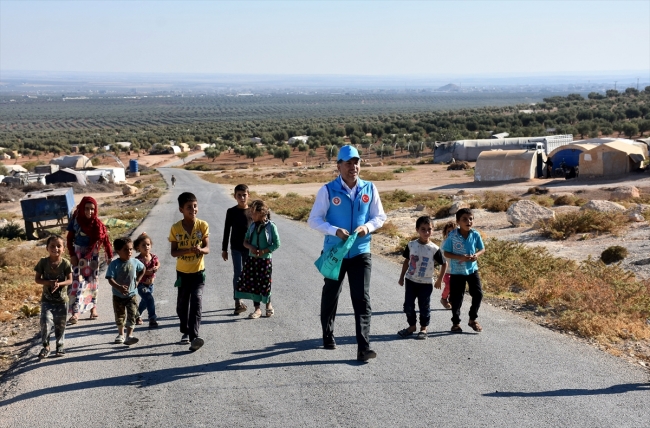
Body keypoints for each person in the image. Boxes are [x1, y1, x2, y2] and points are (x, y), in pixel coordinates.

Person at [308, 145, 387, 362]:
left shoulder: (369, 188)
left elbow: (379, 217)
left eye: (356, 162)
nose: (353, 167)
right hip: (335, 252)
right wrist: (334, 231)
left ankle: (364, 347)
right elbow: (314, 220)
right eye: (348, 162)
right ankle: (327, 333)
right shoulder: (328, 190)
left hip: (361, 251)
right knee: (332, 294)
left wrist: (367, 228)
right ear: (339, 165)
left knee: (362, 298)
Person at [169, 192, 210, 352]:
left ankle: (194, 337)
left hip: (199, 272)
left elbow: (207, 248)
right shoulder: (176, 228)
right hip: (182, 273)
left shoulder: (202, 225)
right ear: (181, 209)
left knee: (197, 302)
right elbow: (173, 252)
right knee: (182, 305)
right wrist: (187, 250)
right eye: (188, 207)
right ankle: (185, 331)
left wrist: (200, 249)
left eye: (195, 206)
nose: (193, 209)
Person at [397, 216, 447, 340]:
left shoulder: (434, 249)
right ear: (417, 230)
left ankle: (423, 328)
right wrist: (402, 277)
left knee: (424, 306)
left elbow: (444, 263)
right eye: (423, 229)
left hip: (426, 283)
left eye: (429, 229)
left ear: (433, 230)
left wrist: (440, 279)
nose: (426, 232)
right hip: (411, 280)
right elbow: (406, 261)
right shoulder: (411, 245)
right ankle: (412, 326)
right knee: (408, 305)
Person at [66, 196, 113, 325]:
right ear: (82, 208)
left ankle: (93, 308)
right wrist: (72, 255)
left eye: (92, 209)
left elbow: (105, 241)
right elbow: (69, 240)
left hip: (93, 255)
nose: (89, 212)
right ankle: (75, 313)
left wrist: (109, 255)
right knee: (76, 282)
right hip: (78, 255)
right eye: (86, 208)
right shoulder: (75, 222)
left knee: (92, 282)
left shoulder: (97, 224)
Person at [442, 208, 485, 333]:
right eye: (464, 219)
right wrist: (460, 257)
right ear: (458, 221)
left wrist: (477, 255)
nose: (468, 221)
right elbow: (446, 252)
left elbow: (482, 249)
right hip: (457, 272)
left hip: (472, 270)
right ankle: (456, 323)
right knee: (457, 298)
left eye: (470, 219)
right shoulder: (452, 235)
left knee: (478, 294)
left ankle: (472, 319)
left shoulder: (475, 234)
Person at [235, 199, 280, 319]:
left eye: (253, 213)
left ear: (261, 213)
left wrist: (264, 251)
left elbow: (276, 244)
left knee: (265, 284)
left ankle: (268, 305)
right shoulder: (252, 226)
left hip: (265, 260)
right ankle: (257, 309)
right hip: (252, 260)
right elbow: (245, 241)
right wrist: (250, 247)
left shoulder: (271, 226)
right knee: (253, 284)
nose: (251, 215)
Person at [34, 235, 73, 359]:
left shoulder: (65, 263)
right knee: (45, 321)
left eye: (59, 246)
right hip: (47, 300)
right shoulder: (43, 262)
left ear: (63, 249)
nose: (55, 248)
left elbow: (70, 280)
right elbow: (37, 279)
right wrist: (49, 283)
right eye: (52, 246)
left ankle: (59, 345)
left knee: (60, 324)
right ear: (47, 248)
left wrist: (58, 284)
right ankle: (46, 347)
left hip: (62, 301)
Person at [105, 237, 145, 346]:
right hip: (118, 296)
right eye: (126, 250)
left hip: (132, 295)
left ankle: (129, 336)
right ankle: (121, 334)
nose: (129, 252)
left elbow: (143, 269)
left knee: (132, 315)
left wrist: (137, 280)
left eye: (131, 249)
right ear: (118, 251)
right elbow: (110, 278)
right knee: (120, 316)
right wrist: (119, 287)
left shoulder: (135, 262)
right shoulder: (114, 264)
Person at [222, 184, 252, 315]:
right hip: (235, 248)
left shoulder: (252, 211)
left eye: (244, 195)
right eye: (239, 195)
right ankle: (237, 301)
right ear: (235, 196)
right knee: (237, 274)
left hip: (250, 248)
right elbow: (226, 230)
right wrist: (224, 249)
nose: (242, 197)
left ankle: (254, 299)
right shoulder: (231, 211)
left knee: (248, 274)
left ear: (248, 195)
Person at [134, 232, 160, 328]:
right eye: (143, 245)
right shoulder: (137, 260)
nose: (146, 247)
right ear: (138, 248)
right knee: (149, 299)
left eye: (148, 244)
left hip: (151, 285)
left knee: (145, 302)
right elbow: (135, 272)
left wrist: (156, 267)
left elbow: (158, 263)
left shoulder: (153, 257)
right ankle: (152, 318)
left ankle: (137, 315)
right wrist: (145, 272)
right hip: (141, 284)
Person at [439, 221, 456, 309]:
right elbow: (443, 254)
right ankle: (444, 298)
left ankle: (451, 301)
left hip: (457, 270)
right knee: (449, 284)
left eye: (453, 231)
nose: (450, 233)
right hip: (446, 269)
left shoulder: (458, 243)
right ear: (445, 233)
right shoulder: (444, 243)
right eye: (448, 231)